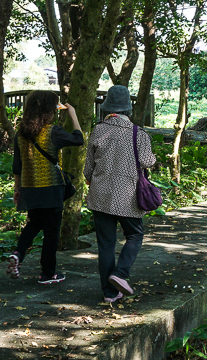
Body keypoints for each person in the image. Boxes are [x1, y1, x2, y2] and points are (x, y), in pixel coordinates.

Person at [84, 85, 156, 303]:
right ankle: (121, 273)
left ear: (108, 108)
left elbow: (88, 169)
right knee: (134, 235)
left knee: (105, 244)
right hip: (128, 196)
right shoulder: (138, 133)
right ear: (128, 108)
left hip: (100, 196)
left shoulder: (98, 130)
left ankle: (109, 293)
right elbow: (147, 161)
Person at [8, 91, 84, 284]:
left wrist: (17, 189)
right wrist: (73, 114)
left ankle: (18, 253)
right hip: (51, 188)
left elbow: (17, 165)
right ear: (49, 110)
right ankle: (48, 274)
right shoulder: (53, 132)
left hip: (30, 187)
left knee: (34, 224)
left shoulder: (21, 134)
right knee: (51, 232)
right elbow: (78, 139)